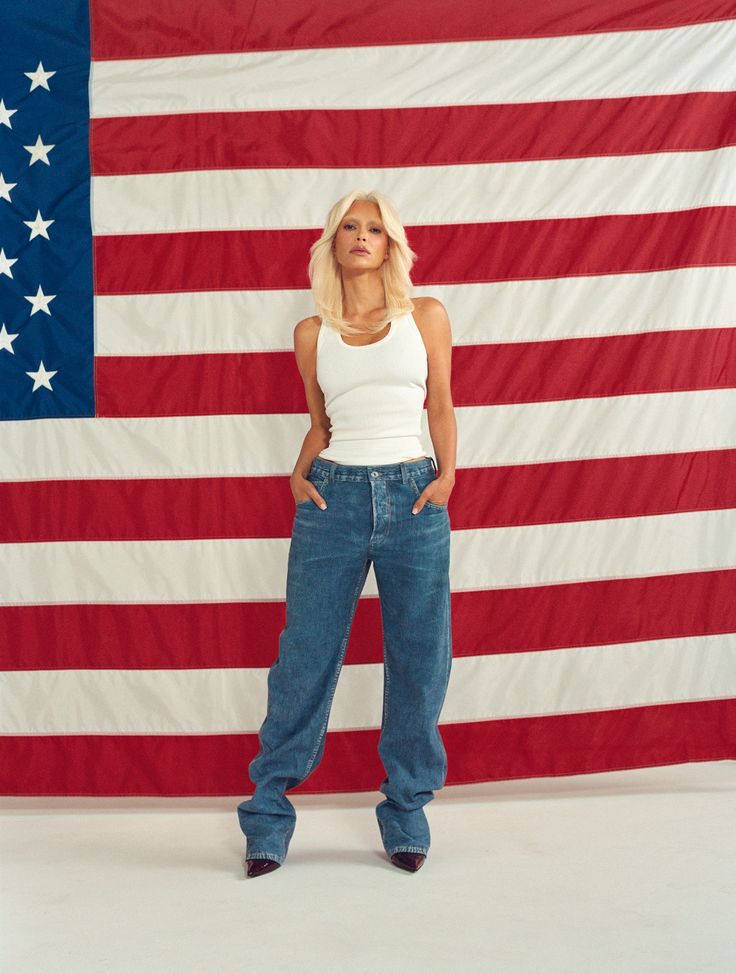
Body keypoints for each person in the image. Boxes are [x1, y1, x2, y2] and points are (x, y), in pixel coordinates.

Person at [237, 189, 457, 877]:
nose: (362, 237)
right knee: (303, 657)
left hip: (413, 496)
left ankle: (405, 810)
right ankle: (269, 816)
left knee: (421, 657)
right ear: (333, 243)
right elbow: (320, 423)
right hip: (332, 501)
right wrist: (296, 477)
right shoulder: (312, 333)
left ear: (391, 244)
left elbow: (442, 405)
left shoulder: (425, 315)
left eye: (375, 228)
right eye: (349, 228)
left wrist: (446, 477)